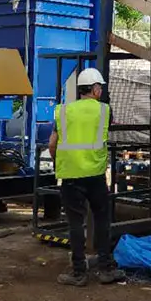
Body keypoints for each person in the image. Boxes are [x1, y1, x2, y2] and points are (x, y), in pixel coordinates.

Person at [48, 68, 125, 287]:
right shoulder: (104, 111)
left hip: (71, 176)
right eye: (100, 87)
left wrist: (60, 162)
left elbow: (52, 144)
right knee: (102, 221)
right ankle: (105, 269)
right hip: (96, 175)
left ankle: (79, 272)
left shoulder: (63, 112)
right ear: (95, 89)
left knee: (75, 224)